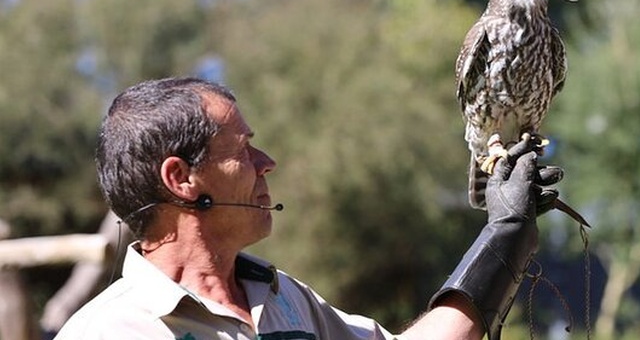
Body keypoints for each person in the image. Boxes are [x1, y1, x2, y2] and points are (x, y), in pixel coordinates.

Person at [56, 77, 564, 339]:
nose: (267, 163)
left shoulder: (285, 302)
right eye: (243, 151)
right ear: (180, 179)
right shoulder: (110, 331)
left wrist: (506, 233)